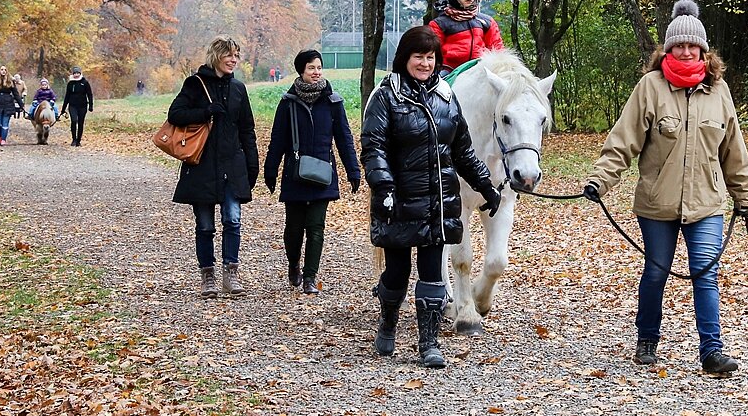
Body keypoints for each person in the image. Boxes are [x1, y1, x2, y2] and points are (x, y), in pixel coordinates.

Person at [583, 0, 748, 374]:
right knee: (657, 271)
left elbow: (733, 148)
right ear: (668, 48)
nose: (687, 51)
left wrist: (743, 197)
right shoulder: (651, 87)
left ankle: (712, 350)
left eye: (694, 46)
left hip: (706, 203)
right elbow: (623, 140)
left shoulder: (719, 91)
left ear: (704, 51)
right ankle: (647, 338)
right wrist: (600, 180)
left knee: (704, 273)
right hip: (657, 202)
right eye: (680, 45)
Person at [360, 26, 502, 368]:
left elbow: (464, 151)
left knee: (432, 276)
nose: (425, 64)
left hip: (437, 203)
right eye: (418, 57)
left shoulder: (445, 96)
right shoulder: (387, 96)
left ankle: (429, 343)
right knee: (396, 274)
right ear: (405, 59)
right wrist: (383, 187)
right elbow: (374, 147)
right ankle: (388, 322)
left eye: (430, 57)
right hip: (398, 200)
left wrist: (486, 187)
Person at [263, 49, 361, 294]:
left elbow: (344, 139)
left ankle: (309, 277)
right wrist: (270, 170)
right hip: (295, 173)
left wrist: (353, 171)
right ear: (301, 71)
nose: (316, 72)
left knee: (316, 227)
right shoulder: (288, 103)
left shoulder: (333, 102)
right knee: (294, 228)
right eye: (311, 68)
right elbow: (277, 140)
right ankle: (293, 262)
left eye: (319, 67)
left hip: (322, 174)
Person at [168, 36, 259, 299]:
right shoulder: (195, 84)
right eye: (228, 55)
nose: (233, 60)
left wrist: (252, 166)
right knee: (205, 225)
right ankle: (207, 275)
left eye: (236, 56)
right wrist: (206, 111)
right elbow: (175, 115)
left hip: (232, 165)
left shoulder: (239, 89)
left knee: (233, 220)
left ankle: (231, 273)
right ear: (216, 56)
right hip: (202, 166)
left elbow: (247, 130)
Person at [428, 0, 504, 74]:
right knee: (437, 86)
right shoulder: (439, 24)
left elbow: (498, 50)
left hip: (480, 68)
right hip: (449, 69)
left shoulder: (487, 22)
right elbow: (432, 53)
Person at [0, 65, 24, 146]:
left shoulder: (10, 81)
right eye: (2, 69)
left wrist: (21, 105)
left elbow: (16, 94)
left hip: (8, 104)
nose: (3, 71)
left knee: (5, 123)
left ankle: (3, 139)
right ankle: (0, 135)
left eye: (5, 70)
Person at [61, 66, 93, 147]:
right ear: (73, 74)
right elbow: (67, 96)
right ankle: (74, 139)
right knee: (74, 121)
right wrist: (63, 109)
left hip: (83, 106)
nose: (76, 75)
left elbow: (89, 94)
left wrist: (91, 105)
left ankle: (79, 140)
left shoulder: (85, 82)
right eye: (75, 73)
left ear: (80, 73)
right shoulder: (70, 83)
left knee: (81, 123)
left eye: (78, 73)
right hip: (72, 105)